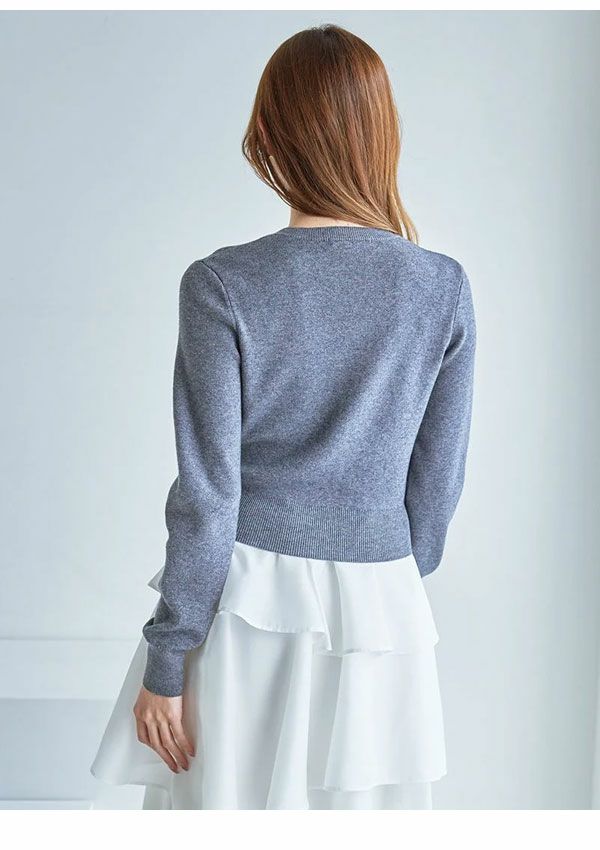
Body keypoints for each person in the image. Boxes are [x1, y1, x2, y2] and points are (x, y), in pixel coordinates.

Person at [91, 23, 476, 810]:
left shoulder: (221, 285)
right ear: (381, 134)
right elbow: (434, 497)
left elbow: (209, 496)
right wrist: (379, 575)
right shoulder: (441, 288)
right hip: (382, 613)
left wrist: (168, 657)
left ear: (268, 134)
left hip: (248, 604)